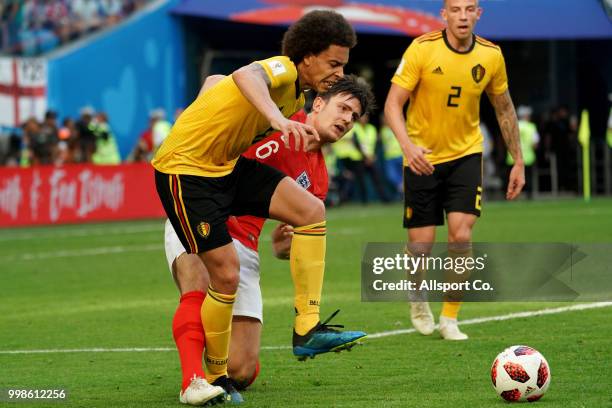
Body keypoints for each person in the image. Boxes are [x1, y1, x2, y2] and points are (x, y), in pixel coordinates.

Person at [151, 10, 363, 405]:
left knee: (311, 213)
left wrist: (288, 242)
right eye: (334, 64)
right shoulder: (282, 74)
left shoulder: (307, 136)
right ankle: (199, 380)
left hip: (226, 176)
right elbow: (242, 76)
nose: (348, 119)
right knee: (216, 278)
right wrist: (274, 119)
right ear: (307, 58)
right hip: (187, 174)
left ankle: (307, 329)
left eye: (354, 115)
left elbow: (285, 247)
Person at [384, 0, 524, 341]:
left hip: (466, 154)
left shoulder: (491, 56)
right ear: (443, 14)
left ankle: (450, 318)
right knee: (422, 243)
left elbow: (504, 109)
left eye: (469, 9)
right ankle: (417, 299)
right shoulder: (422, 49)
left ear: (479, 14)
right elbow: (392, 104)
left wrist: (517, 160)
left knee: (461, 235)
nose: (463, 16)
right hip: (422, 156)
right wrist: (407, 146)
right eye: (456, 9)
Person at [506, 106, 539, 198]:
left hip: (512, 158)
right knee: (528, 178)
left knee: (512, 179)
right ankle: (529, 196)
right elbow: (535, 143)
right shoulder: (531, 127)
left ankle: (511, 195)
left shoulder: (512, 125)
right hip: (528, 157)